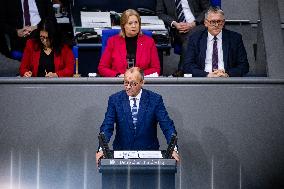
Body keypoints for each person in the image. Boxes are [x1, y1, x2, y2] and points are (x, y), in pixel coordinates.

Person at [96, 67, 180, 165]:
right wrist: (102, 149)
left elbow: (167, 126)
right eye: (125, 82)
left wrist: (173, 149)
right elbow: (107, 126)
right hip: (122, 156)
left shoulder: (155, 100)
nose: (128, 87)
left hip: (148, 156)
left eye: (132, 83)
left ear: (142, 82)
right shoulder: (115, 100)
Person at [183, 6, 249, 77]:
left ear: (223, 22)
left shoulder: (235, 38)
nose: (216, 25)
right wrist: (207, 75)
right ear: (205, 23)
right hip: (203, 80)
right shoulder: (195, 39)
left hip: (227, 80)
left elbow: (244, 66)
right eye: (212, 22)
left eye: (219, 21)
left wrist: (228, 74)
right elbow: (188, 65)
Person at [98, 9, 160, 77]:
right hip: (118, 82)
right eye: (130, 23)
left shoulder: (149, 42)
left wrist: (138, 75)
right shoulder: (112, 41)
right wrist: (118, 75)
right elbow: (102, 68)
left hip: (141, 82)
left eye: (136, 22)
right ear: (123, 25)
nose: (134, 26)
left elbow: (156, 69)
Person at [156, 0, 210, 76]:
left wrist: (193, 24)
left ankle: (182, 71)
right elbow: (160, 13)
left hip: (198, 24)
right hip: (178, 28)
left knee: (190, 38)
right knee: (189, 38)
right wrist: (174, 23)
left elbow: (208, 9)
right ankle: (186, 70)